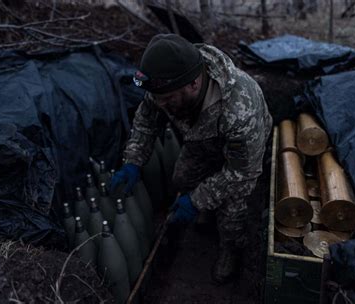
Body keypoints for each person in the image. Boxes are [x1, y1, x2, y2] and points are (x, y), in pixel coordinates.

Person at [110, 34, 272, 284]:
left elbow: (242, 173)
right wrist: (133, 160)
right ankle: (206, 211)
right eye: (157, 97)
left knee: (232, 212)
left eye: (167, 99)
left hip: (242, 157)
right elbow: (146, 119)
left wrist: (197, 200)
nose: (160, 104)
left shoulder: (240, 108)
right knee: (181, 177)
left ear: (194, 85)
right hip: (203, 142)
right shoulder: (165, 87)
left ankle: (231, 249)